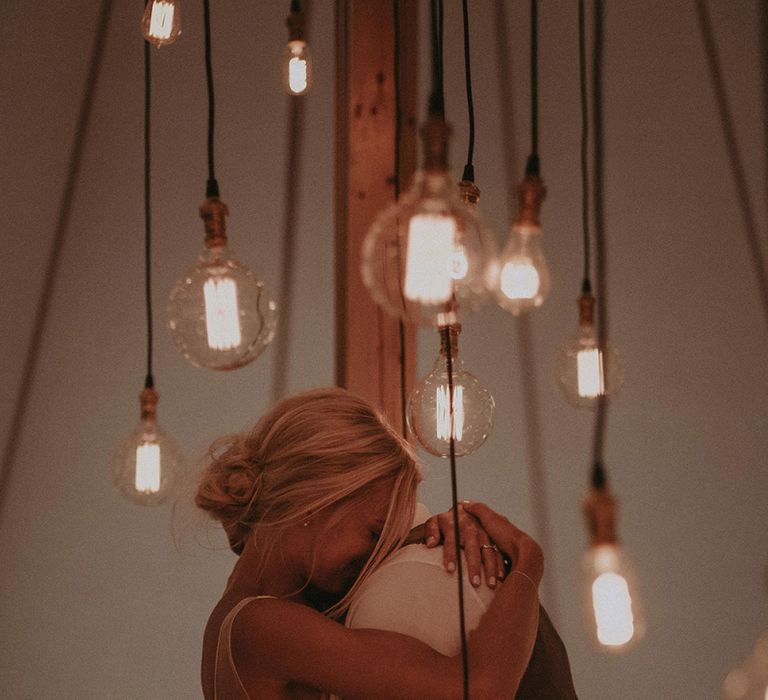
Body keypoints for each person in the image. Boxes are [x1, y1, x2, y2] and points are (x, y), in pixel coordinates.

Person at [196, 387, 544, 699]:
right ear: (314, 499)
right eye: (375, 533)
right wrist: (527, 561)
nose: (373, 556)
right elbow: (477, 690)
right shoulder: (263, 626)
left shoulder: (241, 615)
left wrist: (433, 530)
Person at [346, 504, 579, 699]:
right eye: (374, 532)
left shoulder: (415, 576)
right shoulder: (410, 579)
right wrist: (528, 557)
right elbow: (482, 690)